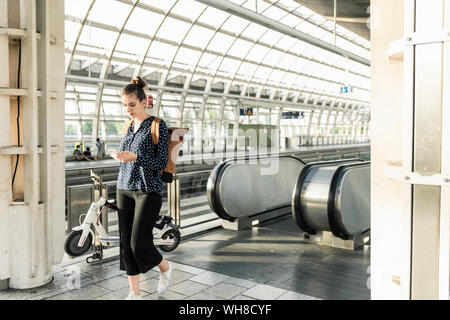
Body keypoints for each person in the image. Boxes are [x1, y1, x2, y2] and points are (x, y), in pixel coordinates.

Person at [111, 76, 172, 300]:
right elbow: (127, 155)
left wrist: (135, 156)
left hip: (148, 189)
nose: (127, 109)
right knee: (126, 243)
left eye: (132, 104)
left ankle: (164, 267)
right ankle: (134, 292)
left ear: (144, 102)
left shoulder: (157, 125)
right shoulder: (128, 126)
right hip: (124, 186)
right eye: (124, 105)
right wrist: (121, 156)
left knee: (139, 243)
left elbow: (161, 163)